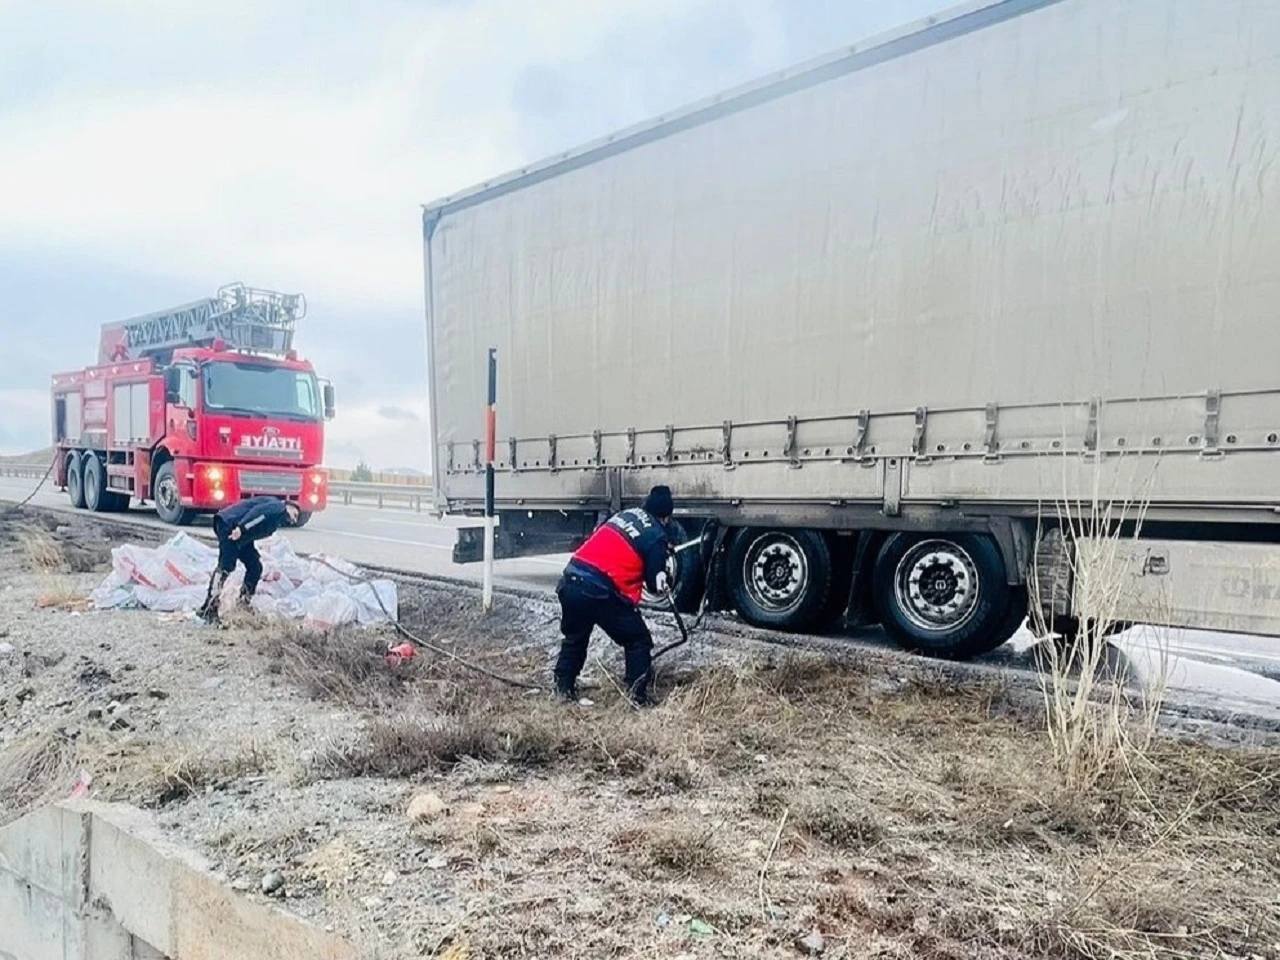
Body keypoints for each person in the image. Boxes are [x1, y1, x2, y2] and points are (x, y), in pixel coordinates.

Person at [554, 485, 675, 706]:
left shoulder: (624, 515)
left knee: (575, 638)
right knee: (638, 640)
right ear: (666, 517)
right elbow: (655, 584)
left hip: (571, 579)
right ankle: (638, 696)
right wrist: (662, 572)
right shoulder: (657, 536)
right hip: (598, 590)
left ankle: (563, 689)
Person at [197, 496, 301, 621]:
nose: (293, 520)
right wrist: (242, 528)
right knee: (226, 565)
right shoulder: (278, 506)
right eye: (294, 514)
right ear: (289, 506)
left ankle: (243, 604)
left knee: (255, 567)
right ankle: (209, 607)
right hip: (230, 526)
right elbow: (258, 514)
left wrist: (243, 531)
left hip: (241, 535)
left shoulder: (276, 516)